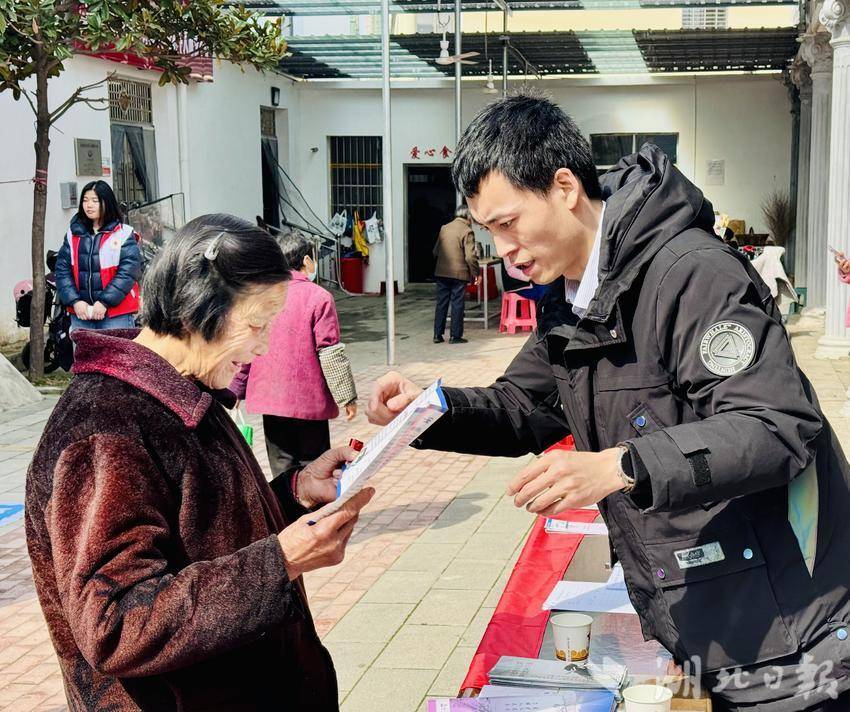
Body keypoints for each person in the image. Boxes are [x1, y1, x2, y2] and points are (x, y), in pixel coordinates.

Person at [368, 94, 850, 711]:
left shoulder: (693, 274)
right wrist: (427, 410)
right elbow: (522, 405)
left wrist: (622, 465)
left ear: (565, 187)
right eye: (489, 231)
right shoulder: (573, 297)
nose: (501, 249)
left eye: (508, 223)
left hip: (793, 629)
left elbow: (774, 426)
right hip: (713, 612)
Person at [26, 214, 373, 711]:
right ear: (195, 310)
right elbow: (116, 623)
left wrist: (295, 491)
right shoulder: (105, 429)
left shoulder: (182, 389)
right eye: (256, 324)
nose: (263, 346)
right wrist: (281, 561)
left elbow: (204, 529)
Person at [230, 230, 358, 484]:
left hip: (270, 399)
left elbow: (246, 347)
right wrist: (347, 397)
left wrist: (235, 390)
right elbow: (330, 352)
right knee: (315, 467)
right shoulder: (319, 297)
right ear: (307, 260)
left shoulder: (260, 296)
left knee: (282, 469)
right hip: (309, 402)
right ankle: (314, 508)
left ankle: (286, 507)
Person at [55, 180, 142, 331]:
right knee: (83, 348)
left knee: (115, 348)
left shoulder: (124, 234)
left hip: (115, 315)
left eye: (95, 201)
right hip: (81, 314)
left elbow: (127, 273)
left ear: (107, 202)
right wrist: (75, 301)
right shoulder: (72, 234)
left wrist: (104, 302)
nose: (89, 205)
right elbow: (62, 270)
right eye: (85, 200)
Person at [432, 204, 481, 344]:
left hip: (442, 273)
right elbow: (470, 257)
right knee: (457, 304)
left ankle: (437, 335)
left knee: (441, 303)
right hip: (459, 274)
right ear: (468, 217)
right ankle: (455, 336)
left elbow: (435, 251)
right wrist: (476, 273)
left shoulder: (444, 228)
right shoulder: (467, 231)